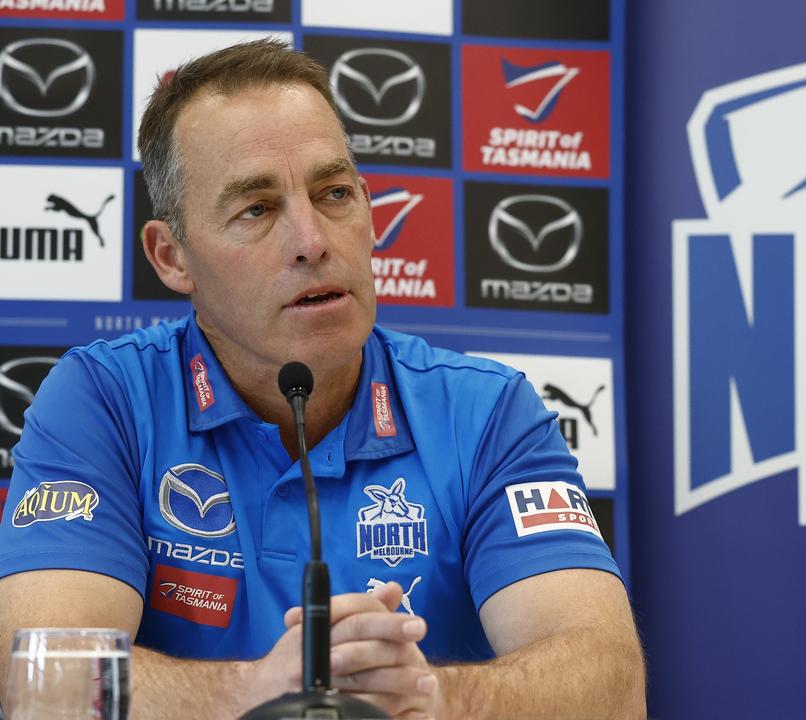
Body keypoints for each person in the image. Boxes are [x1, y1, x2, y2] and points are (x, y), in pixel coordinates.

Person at [0, 39, 644, 719]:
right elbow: (43, 683)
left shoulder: (485, 411)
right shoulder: (103, 401)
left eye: (334, 193)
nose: (312, 239)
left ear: (369, 210)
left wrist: (429, 695)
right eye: (257, 208)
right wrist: (256, 694)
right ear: (172, 256)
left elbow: (611, 685)